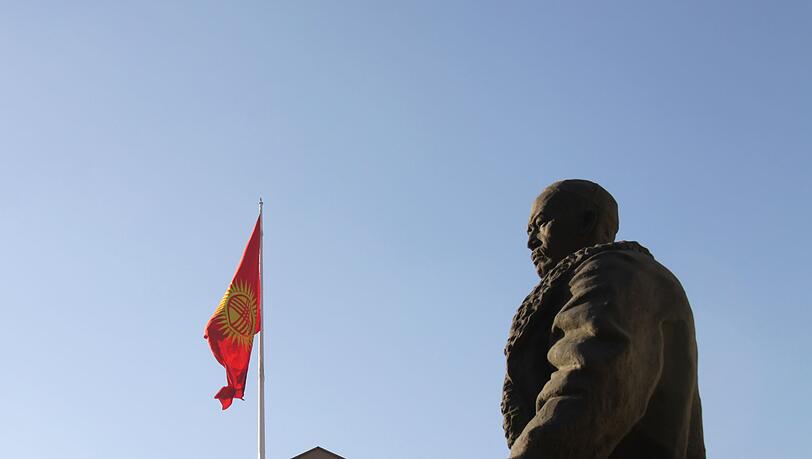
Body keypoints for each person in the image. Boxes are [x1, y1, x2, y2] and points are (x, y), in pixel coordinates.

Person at [501, 179, 705, 458]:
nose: (530, 241)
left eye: (541, 223)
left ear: (587, 221)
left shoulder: (612, 274)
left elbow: (586, 389)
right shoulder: (614, 275)